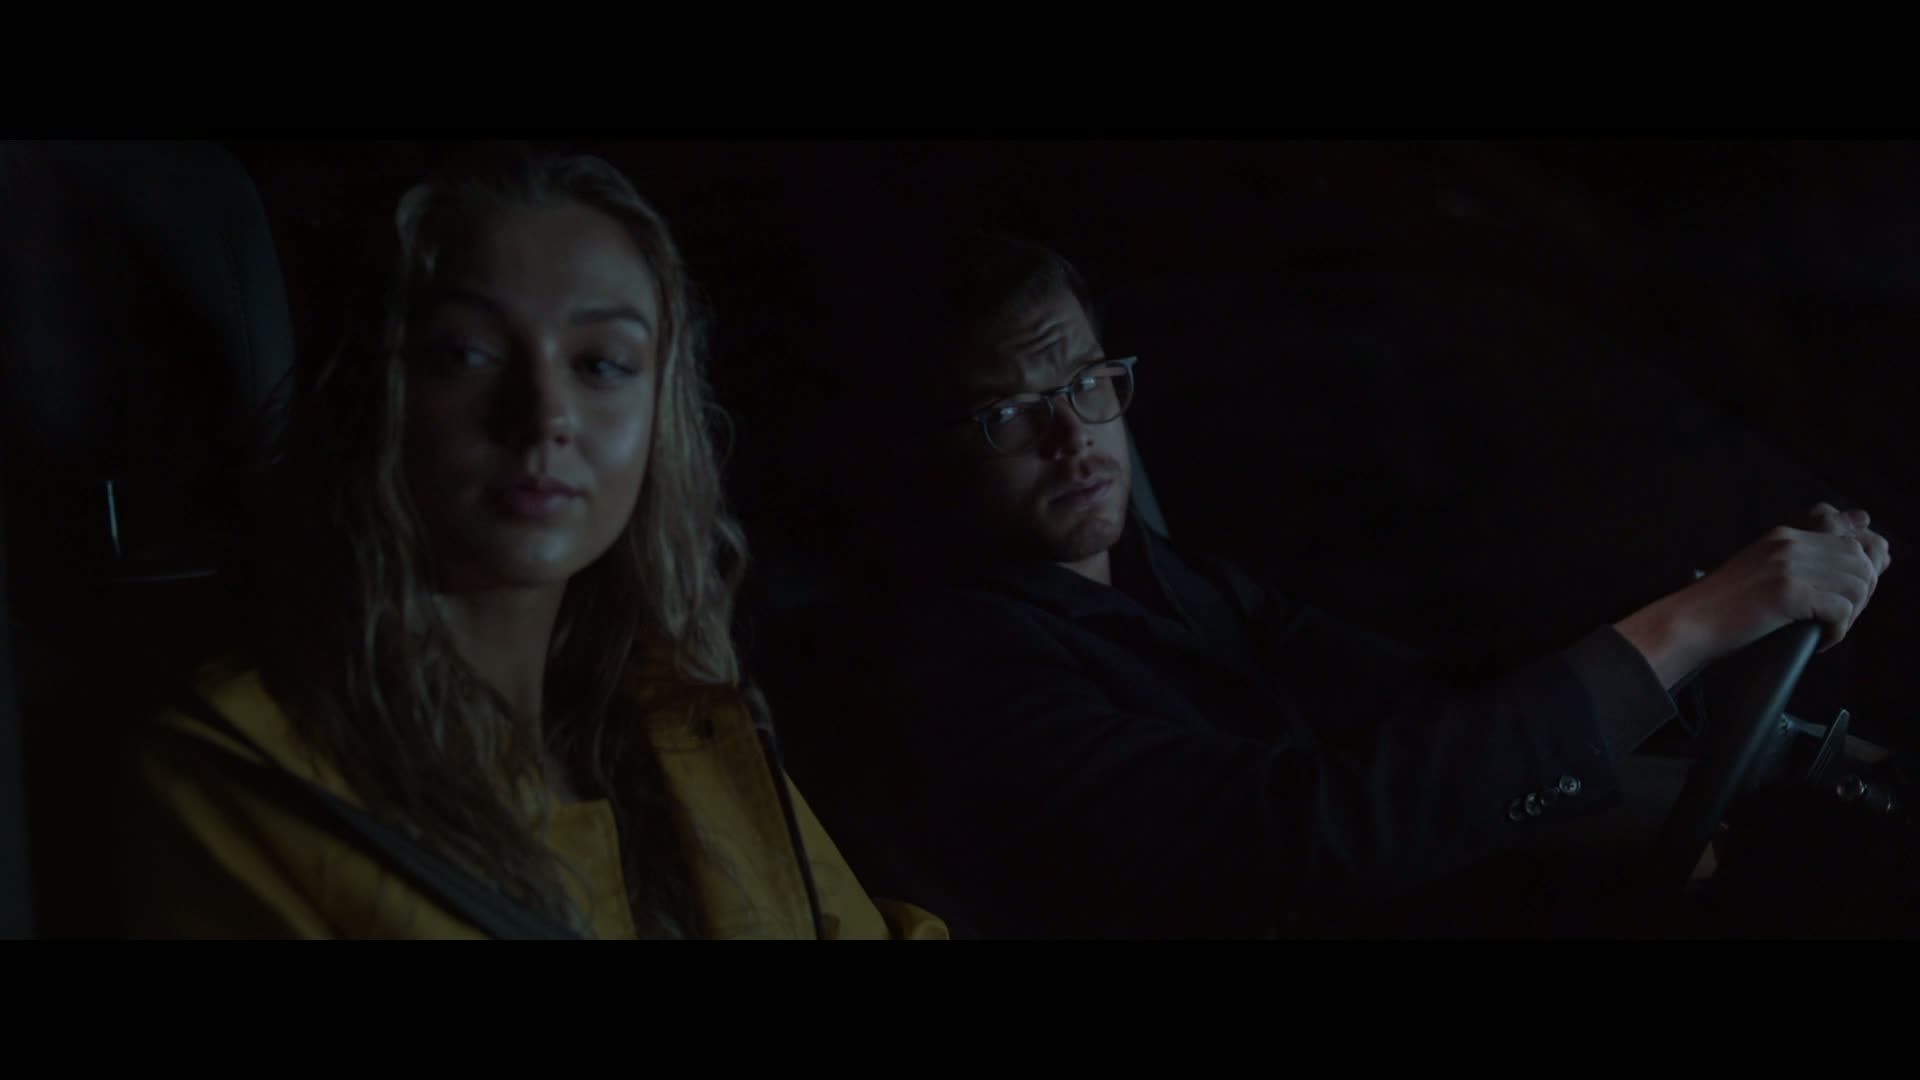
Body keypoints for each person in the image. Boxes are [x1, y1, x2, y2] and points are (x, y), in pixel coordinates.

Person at [769, 229, 1893, 938]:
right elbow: (1309, 837)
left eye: (1086, 380)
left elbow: (1421, 707)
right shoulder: (952, 669)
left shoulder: (1167, 580)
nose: (1075, 437)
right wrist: (1685, 629)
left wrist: (1712, 619)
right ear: (925, 455)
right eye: (1012, 412)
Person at [113, 150, 947, 939]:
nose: (544, 415)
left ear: (660, 418)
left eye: (601, 364)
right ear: (376, 396)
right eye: (466, 354)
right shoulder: (246, 771)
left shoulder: (683, 718)